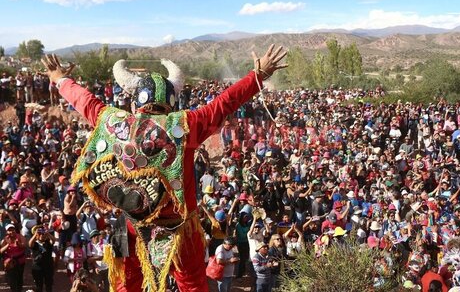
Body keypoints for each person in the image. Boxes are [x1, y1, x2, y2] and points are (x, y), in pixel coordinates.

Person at [41, 44, 287, 292]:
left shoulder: (112, 121)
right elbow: (224, 103)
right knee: (192, 285)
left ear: (135, 104)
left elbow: (85, 101)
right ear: (172, 104)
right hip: (181, 227)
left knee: (123, 283)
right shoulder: (186, 124)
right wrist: (258, 76)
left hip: (127, 223)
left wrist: (60, 79)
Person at [0, 224, 27, 292]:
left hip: (20, 260)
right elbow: (1, 251)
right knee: (12, 278)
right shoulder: (5, 239)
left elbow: (24, 246)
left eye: (12, 230)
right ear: (7, 232)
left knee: (19, 277)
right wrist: (8, 245)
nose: (11, 232)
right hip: (9, 262)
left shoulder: (20, 236)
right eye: (9, 230)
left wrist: (19, 244)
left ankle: (19, 289)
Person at [29, 224, 56, 292]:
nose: (41, 235)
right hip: (37, 267)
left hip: (48, 266)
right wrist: (35, 234)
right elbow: (30, 244)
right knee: (38, 286)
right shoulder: (35, 243)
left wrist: (48, 233)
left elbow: (53, 240)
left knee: (49, 285)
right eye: (39, 234)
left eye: (42, 234)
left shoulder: (48, 243)